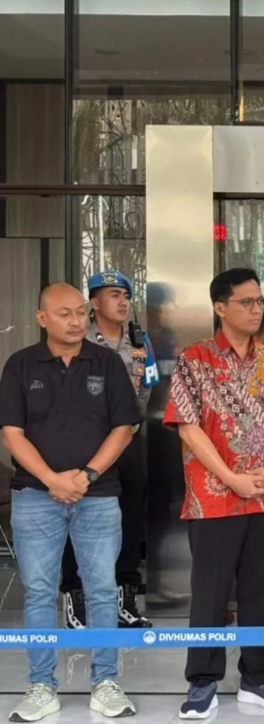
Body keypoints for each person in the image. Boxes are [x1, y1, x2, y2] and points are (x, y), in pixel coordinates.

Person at [163, 268, 264, 718]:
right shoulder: (195, 360)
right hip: (213, 496)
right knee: (210, 593)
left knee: (262, 591)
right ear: (220, 307)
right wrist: (231, 477)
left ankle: (258, 677)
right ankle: (202, 681)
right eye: (246, 302)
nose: (256, 309)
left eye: (259, 301)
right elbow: (187, 427)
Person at [0, 282, 143, 721]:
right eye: (64, 314)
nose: (76, 321)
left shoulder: (107, 363)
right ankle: (41, 685)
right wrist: (50, 480)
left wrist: (87, 475)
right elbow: (11, 433)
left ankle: (106, 682)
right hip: (34, 495)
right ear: (42, 318)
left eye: (81, 312)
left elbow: (124, 428)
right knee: (40, 591)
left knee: (101, 588)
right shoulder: (21, 364)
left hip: (96, 495)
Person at [60, 271, 158, 632]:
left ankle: (124, 598)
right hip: (85, 443)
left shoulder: (139, 341)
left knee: (131, 517)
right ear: (94, 303)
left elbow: (146, 388)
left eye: (125, 295)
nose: (122, 302)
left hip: (127, 441)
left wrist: (128, 426)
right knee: (77, 516)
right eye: (113, 295)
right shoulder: (79, 339)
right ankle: (76, 597)